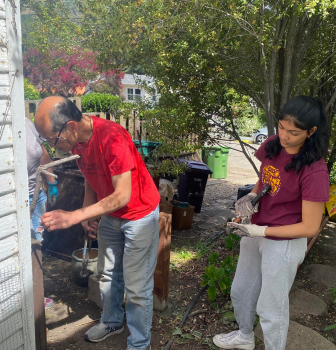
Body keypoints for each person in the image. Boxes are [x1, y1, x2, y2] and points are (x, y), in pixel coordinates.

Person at [34, 97, 160, 350]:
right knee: (107, 276)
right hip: (112, 215)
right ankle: (113, 321)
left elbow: (123, 194)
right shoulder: (77, 142)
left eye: (51, 139)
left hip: (139, 215)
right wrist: (90, 213)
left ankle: (140, 342)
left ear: (70, 126)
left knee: (137, 287)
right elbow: (91, 176)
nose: (51, 146)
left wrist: (74, 215)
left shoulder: (112, 137)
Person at [213, 96, 330, 350]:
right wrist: (253, 195)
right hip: (256, 230)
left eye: (293, 132)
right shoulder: (272, 145)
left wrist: (261, 230)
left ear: (311, 132)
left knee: (271, 307)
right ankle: (244, 336)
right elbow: (266, 176)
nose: (284, 136)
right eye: (281, 127)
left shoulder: (314, 170)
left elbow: (310, 227)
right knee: (241, 290)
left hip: (284, 242)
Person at [25, 117, 59, 309]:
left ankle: (36, 292)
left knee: (38, 240)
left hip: (36, 194)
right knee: (23, 245)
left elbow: (42, 153)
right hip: (16, 197)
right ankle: (27, 298)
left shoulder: (26, 123)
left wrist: (52, 182)